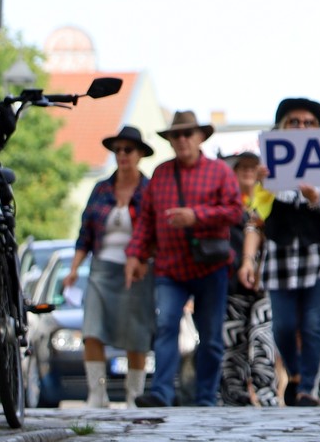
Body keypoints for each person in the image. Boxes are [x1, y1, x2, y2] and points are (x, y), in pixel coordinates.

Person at [126, 110, 241, 408]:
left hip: (211, 268)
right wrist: (135, 255)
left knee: (210, 336)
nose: (182, 140)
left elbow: (234, 211)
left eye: (187, 134)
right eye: (176, 135)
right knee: (166, 326)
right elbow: (146, 221)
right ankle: (162, 392)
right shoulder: (161, 174)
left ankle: (206, 397)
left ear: (200, 137)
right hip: (170, 268)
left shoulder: (220, 172)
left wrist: (196, 216)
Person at [240, 97, 320, 407]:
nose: (301, 127)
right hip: (280, 258)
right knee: (283, 327)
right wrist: (263, 187)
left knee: (313, 326)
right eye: (294, 121)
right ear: (282, 127)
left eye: (308, 122)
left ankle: (308, 388)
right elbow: (257, 216)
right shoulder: (268, 168)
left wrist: (315, 198)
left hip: (318, 257)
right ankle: (295, 373)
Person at [61, 125, 156, 408]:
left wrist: (145, 260)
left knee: (136, 333)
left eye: (128, 150)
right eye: (118, 150)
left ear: (140, 154)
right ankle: (97, 392)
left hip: (137, 270)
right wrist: (74, 268)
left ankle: (134, 394)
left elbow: (156, 232)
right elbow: (85, 234)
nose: (122, 155)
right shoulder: (101, 188)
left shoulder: (149, 190)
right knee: (92, 329)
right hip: (101, 268)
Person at [222, 151, 278, 407]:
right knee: (232, 342)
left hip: (265, 283)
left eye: (252, 167)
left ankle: (266, 394)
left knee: (261, 337)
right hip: (233, 284)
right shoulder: (228, 204)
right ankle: (234, 397)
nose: (247, 171)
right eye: (241, 167)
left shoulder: (268, 200)